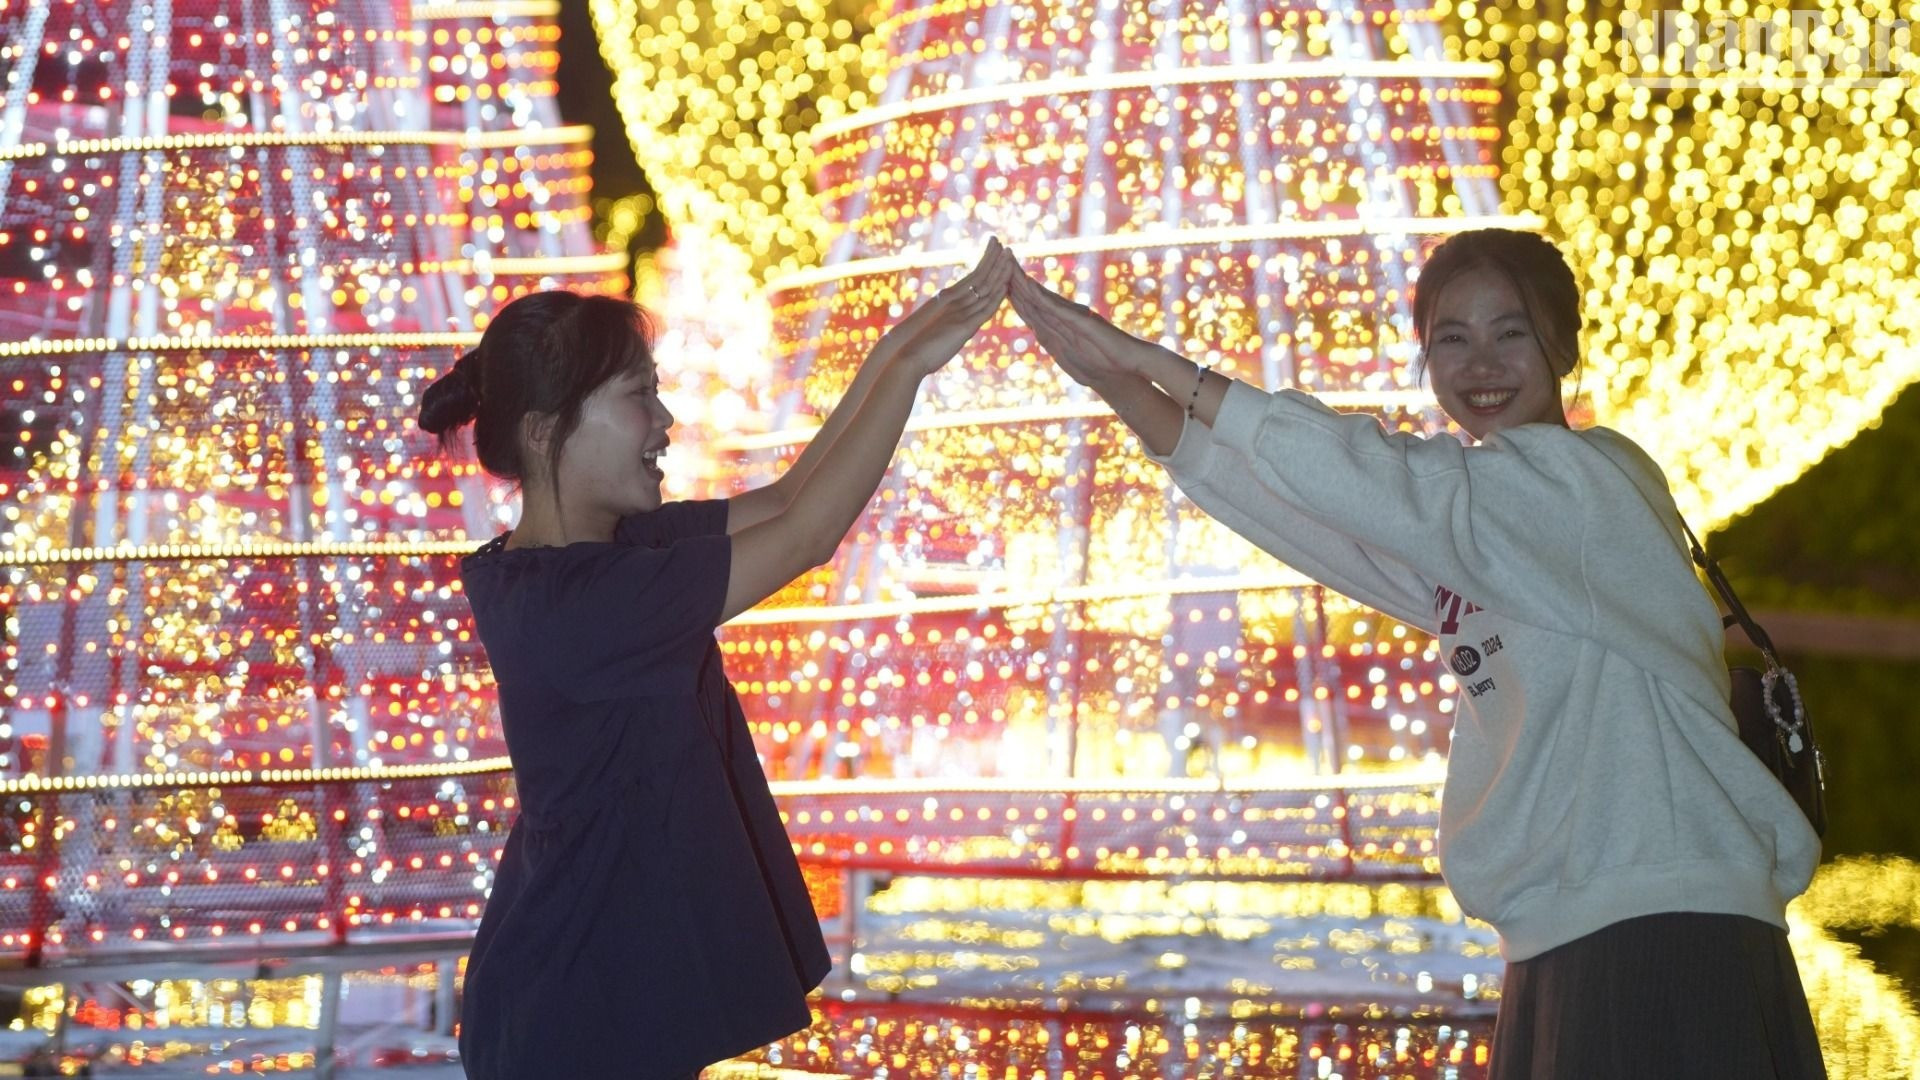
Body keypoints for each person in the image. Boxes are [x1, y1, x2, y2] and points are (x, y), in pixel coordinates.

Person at [1006, 229, 1825, 1077]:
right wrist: (1111, 380)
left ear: (1567, 345)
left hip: (1664, 932)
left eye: (1512, 332)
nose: (1481, 364)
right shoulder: (1477, 531)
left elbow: (1384, 479)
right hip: (1577, 932)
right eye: (1451, 339)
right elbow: (1311, 518)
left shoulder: (1588, 483)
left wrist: (1148, 359)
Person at [417, 240, 1017, 1079]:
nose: (665, 423)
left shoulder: (601, 561)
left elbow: (788, 501)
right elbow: (808, 536)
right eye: (639, 398)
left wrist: (890, 352)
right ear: (549, 430)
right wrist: (912, 365)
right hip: (576, 1013)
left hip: (591, 986)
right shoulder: (587, 606)